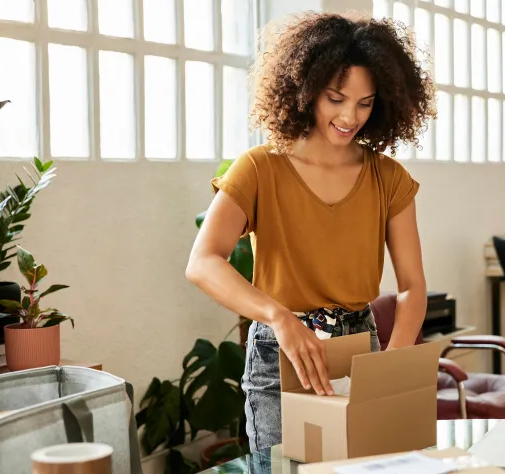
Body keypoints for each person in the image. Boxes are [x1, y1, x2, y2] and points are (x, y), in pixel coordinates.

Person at [185, 11, 436, 452]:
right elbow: (203, 263)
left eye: (365, 102)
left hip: (362, 348)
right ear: (306, 89)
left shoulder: (389, 178)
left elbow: (412, 287)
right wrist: (278, 317)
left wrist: (392, 364)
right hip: (281, 354)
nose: (349, 116)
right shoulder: (260, 168)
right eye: (336, 98)